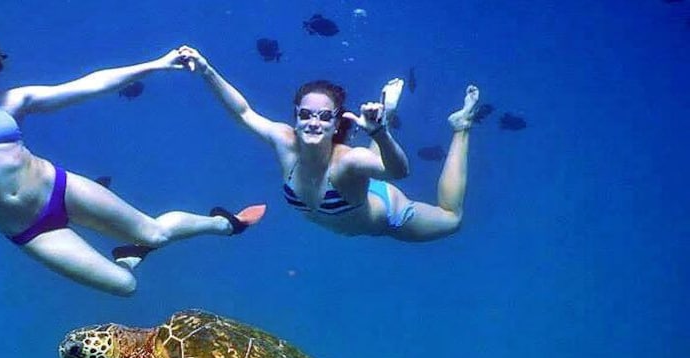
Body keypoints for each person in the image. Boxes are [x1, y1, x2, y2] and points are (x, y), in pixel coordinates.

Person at [0, 19, 265, 297]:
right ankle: (129, 257)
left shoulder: (11, 101)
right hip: (29, 230)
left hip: (60, 188)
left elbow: (88, 85)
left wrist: (155, 64)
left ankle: (224, 224)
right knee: (126, 286)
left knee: (156, 233)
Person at [177, 46, 479, 242]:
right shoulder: (284, 141)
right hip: (355, 185)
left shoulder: (348, 161)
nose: (313, 122)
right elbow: (243, 113)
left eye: (323, 117)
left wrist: (381, 134)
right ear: (295, 117)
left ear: (336, 123)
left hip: (387, 213)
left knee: (452, 219)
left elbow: (399, 172)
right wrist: (206, 70)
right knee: (365, 161)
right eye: (306, 114)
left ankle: (460, 127)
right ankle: (380, 118)